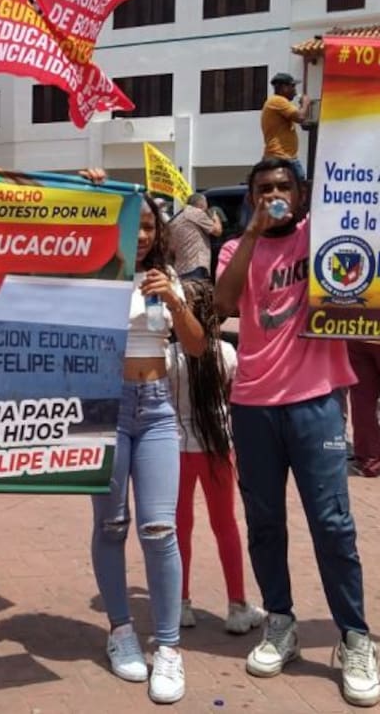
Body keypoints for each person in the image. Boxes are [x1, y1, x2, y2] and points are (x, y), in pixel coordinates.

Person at [214, 157, 377, 707]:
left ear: (303, 193)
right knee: (264, 523)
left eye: (284, 186)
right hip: (254, 404)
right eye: (264, 189)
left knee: (332, 525)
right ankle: (280, 621)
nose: (275, 194)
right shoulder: (238, 248)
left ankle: (354, 637)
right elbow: (222, 304)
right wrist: (255, 230)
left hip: (318, 402)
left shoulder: (327, 231)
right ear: (252, 196)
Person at [84, 171, 205, 705]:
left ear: (159, 233)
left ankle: (170, 649)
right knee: (111, 525)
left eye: (149, 225)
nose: (141, 234)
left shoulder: (168, 280)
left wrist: (176, 304)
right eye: (131, 224)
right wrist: (91, 196)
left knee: (160, 529)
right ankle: (120, 631)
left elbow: (198, 348)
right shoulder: (93, 276)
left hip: (156, 412)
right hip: (105, 411)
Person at [167, 279, 265, 634]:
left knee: (180, 528)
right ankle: (237, 606)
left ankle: (180, 603)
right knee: (225, 526)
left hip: (177, 448)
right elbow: (235, 395)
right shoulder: (226, 353)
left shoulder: (170, 357)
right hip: (218, 449)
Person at [260, 73, 311, 181]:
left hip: (285, 157)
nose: (295, 91)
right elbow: (300, 117)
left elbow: (301, 121)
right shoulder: (277, 101)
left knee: (299, 186)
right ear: (284, 88)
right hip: (281, 157)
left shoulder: (279, 104)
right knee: (299, 186)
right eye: (293, 86)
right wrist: (306, 103)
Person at [167, 193, 222, 280]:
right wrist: (216, 217)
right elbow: (217, 231)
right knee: (198, 292)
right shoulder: (196, 212)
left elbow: (171, 248)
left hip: (180, 268)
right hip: (196, 265)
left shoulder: (176, 218)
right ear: (202, 204)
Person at [347, 341, 380, 478]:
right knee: (362, 401)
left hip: (360, 332)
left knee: (362, 401)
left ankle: (369, 461)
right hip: (361, 334)